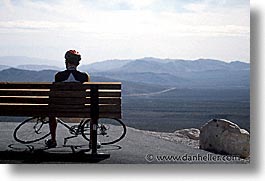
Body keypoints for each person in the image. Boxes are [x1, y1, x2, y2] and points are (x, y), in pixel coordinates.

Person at [45, 50, 90, 148]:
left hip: (60, 108)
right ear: (78, 63)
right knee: (93, 112)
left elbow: (55, 95)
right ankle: (93, 141)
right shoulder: (84, 76)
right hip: (80, 108)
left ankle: (53, 140)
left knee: (52, 114)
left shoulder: (59, 76)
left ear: (66, 62)